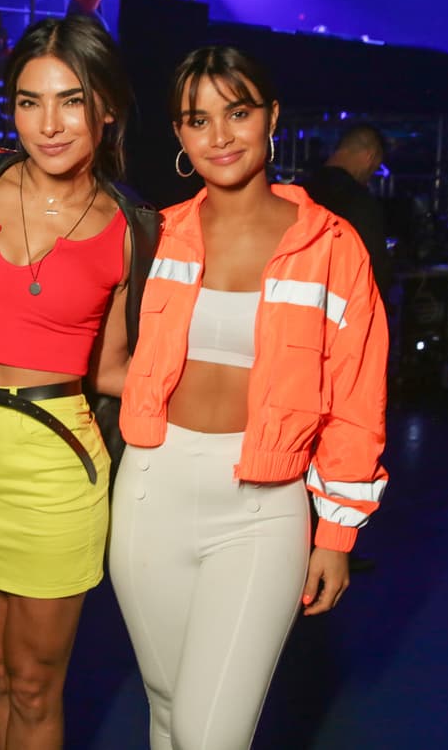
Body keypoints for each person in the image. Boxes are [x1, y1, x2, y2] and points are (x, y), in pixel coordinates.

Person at [109, 46, 389, 749]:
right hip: (150, 492)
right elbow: (101, 350)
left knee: (211, 734)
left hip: (263, 508)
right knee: (169, 708)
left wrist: (336, 533)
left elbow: (356, 398)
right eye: (197, 119)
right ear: (179, 135)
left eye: (238, 112)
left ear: (271, 116)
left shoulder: (332, 245)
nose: (221, 135)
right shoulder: (154, 233)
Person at [0, 14, 159, 749]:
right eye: (30, 101)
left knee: (33, 681)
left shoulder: (130, 227)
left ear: (107, 107)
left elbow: (111, 365)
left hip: (56, 460)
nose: (49, 123)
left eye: (70, 99)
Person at [298, 122, 392, 298]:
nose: (372, 173)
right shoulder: (362, 203)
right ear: (369, 157)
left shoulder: (298, 192)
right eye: (375, 166)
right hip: (342, 307)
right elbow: (375, 272)